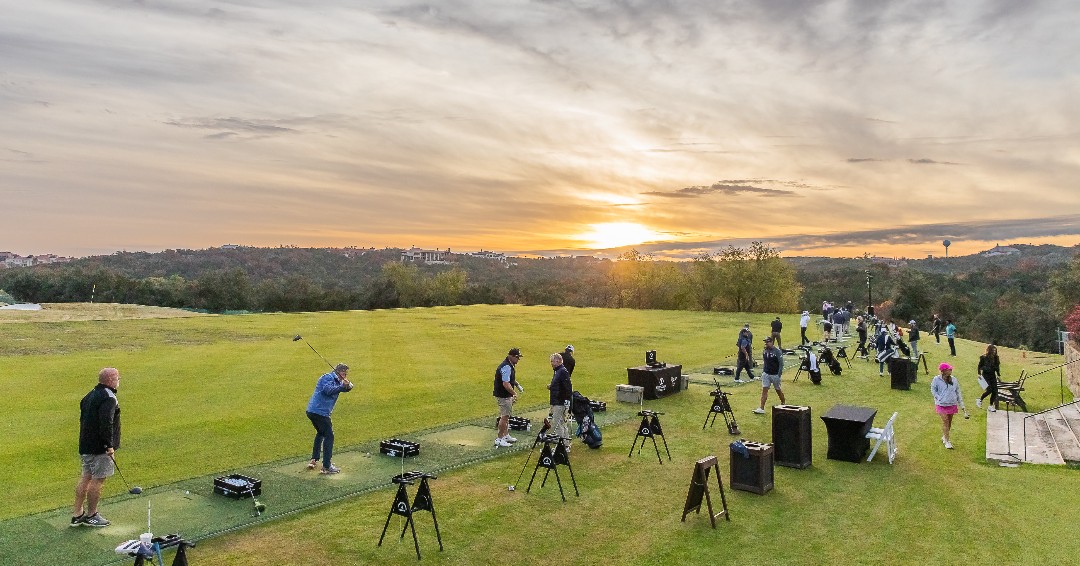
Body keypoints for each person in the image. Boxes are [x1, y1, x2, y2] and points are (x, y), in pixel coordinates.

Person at [72, 368, 122, 528]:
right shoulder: (109, 397)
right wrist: (109, 445)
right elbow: (106, 422)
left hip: (86, 445)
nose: (118, 381)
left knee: (86, 476)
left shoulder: (90, 394)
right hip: (100, 447)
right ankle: (92, 515)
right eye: (117, 378)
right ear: (110, 380)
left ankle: (77, 514)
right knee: (98, 479)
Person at [306, 363, 353, 474]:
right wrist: (342, 386)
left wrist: (347, 385)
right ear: (338, 371)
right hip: (319, 412)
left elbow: (349, 387)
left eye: (346, 373)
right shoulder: (327, 377)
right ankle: (326, 466)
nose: (345, 375)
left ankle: (314, 459)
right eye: (343, 373)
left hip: (315, 411)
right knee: (329, 436)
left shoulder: (339, 380)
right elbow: (328, 390)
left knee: (321, 433)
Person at [930, 362, 968, 449]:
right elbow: (933, 389)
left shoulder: (954, 380)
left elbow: (958, 392)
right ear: (943, 371)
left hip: (952, 404)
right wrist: (938, 397)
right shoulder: (936, 379)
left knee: (949, 422)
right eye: (949, 369)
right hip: (941, 404)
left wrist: (962, 406)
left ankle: (944, 436)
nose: (951, 370)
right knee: (945, 421)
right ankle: (947, 441)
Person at [493, 348, 524, 447]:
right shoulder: (506, 366)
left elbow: (510, 379)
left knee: (507, 416)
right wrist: (514, 393)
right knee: (504, 417)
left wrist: (517, 385)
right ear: (511, 356)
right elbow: (506, 383)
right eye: (517, 357)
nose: (518, 359)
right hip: (504, 395)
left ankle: (505, 435)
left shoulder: (509, 365)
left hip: (505, 395)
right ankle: (499, 438)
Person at [753, 336, 786, 413]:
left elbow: (781, 364)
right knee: (764, 390)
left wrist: (779, 375)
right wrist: (764, 372)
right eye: (765, 342)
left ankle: (783, 403)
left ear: (772, 342)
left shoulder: (777, 351)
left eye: (767, 342)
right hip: (766, 373)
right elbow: (765, 362)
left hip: (775, 374)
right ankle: (761, 408)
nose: (766, 344)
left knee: (778, 390)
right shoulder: (765, 351)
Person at [547, 353, 573, 448]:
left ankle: (561, 446)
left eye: (552, 361)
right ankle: (565, 444)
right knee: (561, 423)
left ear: (558, 361)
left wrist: (567, 400)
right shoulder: (558, 371)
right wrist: (551, 386)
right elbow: (560, 385)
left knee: (557, 424)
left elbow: (568, 387)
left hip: (560, 402)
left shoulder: (562, 371)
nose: (551, 363)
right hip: (557, 401)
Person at [977, 344, 1001, 412]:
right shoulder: (983, 357)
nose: (994, 352)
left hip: (992, 375)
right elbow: (979, 366)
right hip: (985, 375)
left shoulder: (996, 358)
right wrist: (979, 374)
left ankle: (990, 406)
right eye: (993, 350)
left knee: (995, 391)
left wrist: (998, 375)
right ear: (989, 350)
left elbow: (997, 368)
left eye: (995, 351)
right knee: (989, 390)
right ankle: (980, 399)